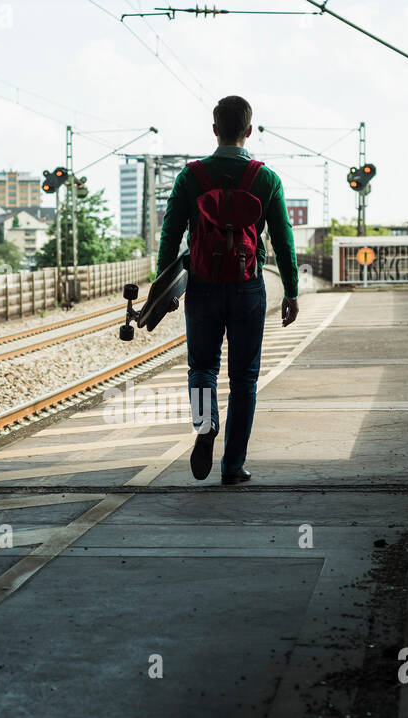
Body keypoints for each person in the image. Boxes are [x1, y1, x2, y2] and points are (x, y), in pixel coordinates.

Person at [156, 95, 300, 486]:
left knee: (202, 368)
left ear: (215, 129)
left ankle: (205, 424)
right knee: (244, 379)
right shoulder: (265, 178)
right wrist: (291, 289)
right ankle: (233, 466)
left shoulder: (190, 177)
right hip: (248, 288)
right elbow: (284, 239)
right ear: (249, 131)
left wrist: (162, 290)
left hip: (202, 287)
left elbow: (170, 236)